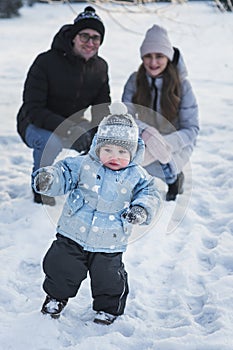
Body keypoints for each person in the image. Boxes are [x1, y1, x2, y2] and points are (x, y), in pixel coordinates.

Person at [32, 103, 162, 325]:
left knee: (109, 278)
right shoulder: (83, 164)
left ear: (133, 153)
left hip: (110, 240)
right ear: (97, 147)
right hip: (73, 232)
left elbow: (150, 194)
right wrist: (49, 179)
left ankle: (108, 308)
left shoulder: (137, 176)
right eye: (108, 149)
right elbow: (63, 174)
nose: (115, 156)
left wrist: (141, 209)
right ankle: (55, 297)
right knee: (61, 267)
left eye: (123, 151)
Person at [16, 6, 111, 205]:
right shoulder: (46, 62)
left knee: (99, 139)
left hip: (73, 123)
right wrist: (70, 130)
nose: (90, 43)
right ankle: (41, 186)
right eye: (84, 36)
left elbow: (101, 108)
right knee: (52, 141)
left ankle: (86, 183)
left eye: (96, 38)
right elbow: (33, 109)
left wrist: (96, 134)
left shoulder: (100, 67)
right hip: (35, 124)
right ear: (73, 37)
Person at [122, 24, 199, 201]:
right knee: (127, 161)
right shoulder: (135, 80)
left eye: (159, 56)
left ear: (168, 57)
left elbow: (192, 128)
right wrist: (146, 132)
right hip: (143, 138)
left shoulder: (182, 86)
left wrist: (163, 143)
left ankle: (174, 179)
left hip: (175, 143)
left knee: (164, 164)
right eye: (148, 56)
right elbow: (127, 116)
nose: (153, 62)